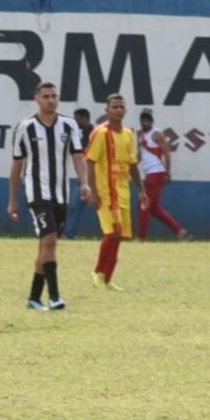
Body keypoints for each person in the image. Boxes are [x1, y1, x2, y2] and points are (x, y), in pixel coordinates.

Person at [6, 79, 88, 310]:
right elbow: (16, 165)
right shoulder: (25, 127)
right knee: (50, 240)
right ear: (37, 99)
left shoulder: (69, 125)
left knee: (46, 245)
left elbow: (78, 157)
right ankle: (54, 297)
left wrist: (85, 183)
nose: (51, 100)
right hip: (36, 192)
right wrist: (12, 200)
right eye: (46, 96)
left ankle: (33, 297)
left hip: (60, 194)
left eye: (54, 96)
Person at [83, 95, 138, 287]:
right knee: (112, 234)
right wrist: (92, 191)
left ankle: (107, 278)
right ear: (107, 110)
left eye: (121, 107)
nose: (118, 110)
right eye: (114, 107)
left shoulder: (128, 134)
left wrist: (142, 190)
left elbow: (132, 164)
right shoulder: (100, 133)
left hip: (123, 192)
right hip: (106, 193)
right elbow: (90, 162)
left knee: (119, 236)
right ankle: (98, 272)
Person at [136, 108, 186, 239]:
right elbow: (140, 156)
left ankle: (141, 237)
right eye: (142, 121)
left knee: (143, 205)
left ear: (151, 122)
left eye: (147, 121)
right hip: (148, 173)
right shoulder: (140, 136)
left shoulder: (156, 134)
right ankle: (178, 230)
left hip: (156, 172)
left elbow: (167, 153)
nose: (144, 123)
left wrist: (167, 172)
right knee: (154, 209)